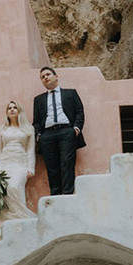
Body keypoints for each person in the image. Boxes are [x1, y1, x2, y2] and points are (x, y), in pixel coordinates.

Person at [33, 66, 85, 195]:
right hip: (47, 135)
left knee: (67, 163)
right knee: (51, 167)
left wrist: (76, 129)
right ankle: (55, 196)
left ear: (56, 76)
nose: (45, 78)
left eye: (48, 74)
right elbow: (36, 121)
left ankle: (67, 194)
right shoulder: (38, 100)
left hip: (67, 132)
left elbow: (79, 112)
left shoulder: (70, 93)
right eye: (42, 77)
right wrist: (39, 135)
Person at [0, 100, 36, 236]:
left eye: (14, 107)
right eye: (9, 108)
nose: (12, 110)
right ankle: (4, 228)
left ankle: (23, 222)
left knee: (15, 187)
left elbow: (30, 149)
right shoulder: (2, 129)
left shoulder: (28, 128)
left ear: (19, 110)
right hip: (4, 164)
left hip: (20, 164)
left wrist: (31, 168)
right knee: (3, 194)